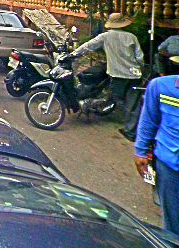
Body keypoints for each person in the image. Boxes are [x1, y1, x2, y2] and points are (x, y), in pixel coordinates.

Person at [70, 12, 144, 140]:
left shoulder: (105, 36)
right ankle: (131, 131)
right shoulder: (132, 37)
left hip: (118, 75)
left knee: (116, 98)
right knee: (133, 103)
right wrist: (139, 69)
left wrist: (73, 54)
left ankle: (100, 108)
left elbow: (88, 46)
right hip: (135, 75)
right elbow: (140, 58)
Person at [134, 75, 179, 235]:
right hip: (169, 168)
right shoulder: (160, 87)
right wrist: (140, 151)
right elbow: (148, 120)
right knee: (173, 224)